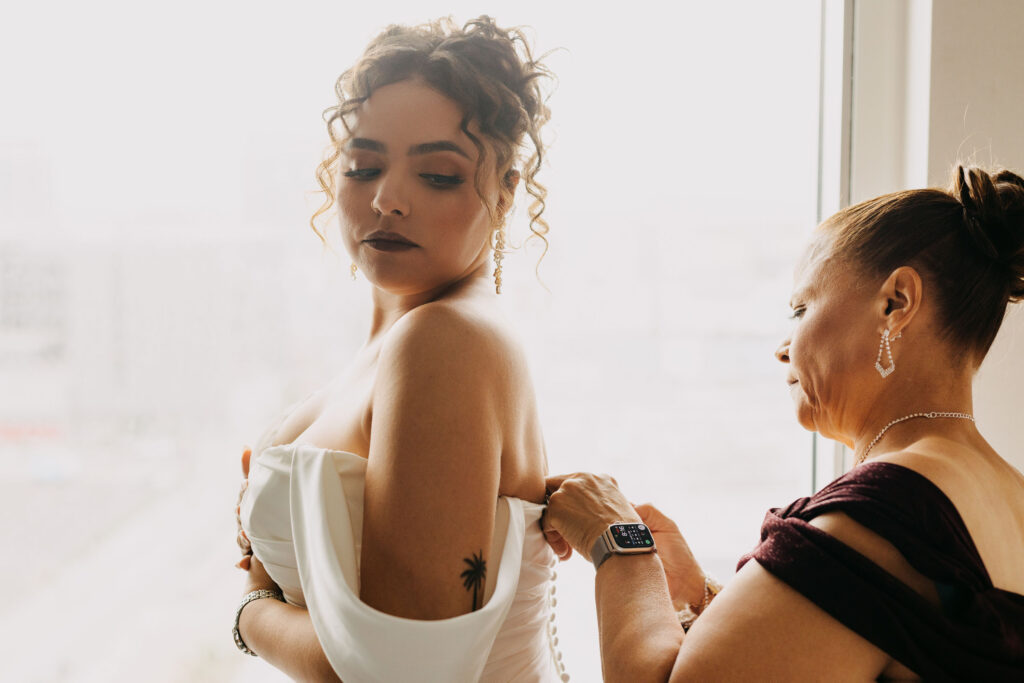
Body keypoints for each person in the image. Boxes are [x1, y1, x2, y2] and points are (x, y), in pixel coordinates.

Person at [543, 166, 1024, 681]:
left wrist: (617, 539)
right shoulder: (1006, 496)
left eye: (801, 309)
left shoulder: (891, 508)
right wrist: (700, 595)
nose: (782, 348)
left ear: (896, 302)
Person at [232, 17, 569, 682]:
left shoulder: (443, 340)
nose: (387, 200)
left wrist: (251, 611)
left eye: (438, 175)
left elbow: (400, 673)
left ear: (506, 192)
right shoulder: (398, 344)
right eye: (364, 166)